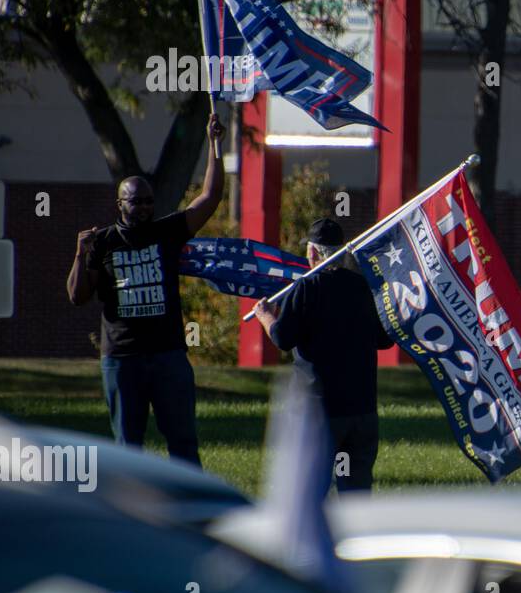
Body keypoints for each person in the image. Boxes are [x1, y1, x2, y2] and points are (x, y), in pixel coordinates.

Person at [67, 114, 225, 465]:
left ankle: (189, 508)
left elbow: (209, 197)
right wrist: (80, 254)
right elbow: (78, 297)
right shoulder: (102, 242)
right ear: (119, 204)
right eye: (135, 201)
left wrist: (214, 145)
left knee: (183, 442)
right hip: (122, 359)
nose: (143, 207)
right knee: (128, 447)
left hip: (168, 355)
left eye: (148, 201)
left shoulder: (166, 232)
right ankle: (132, 513)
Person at [252, 218, 394, 493]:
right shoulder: (363, 288)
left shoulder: (307, 288)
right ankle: (356, 535)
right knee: (357, 493)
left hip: (319, 411)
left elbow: (283, 338)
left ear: (313, 253)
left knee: (308, 492)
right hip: (362, 411)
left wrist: (266, 317)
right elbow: (383, 339)